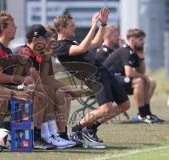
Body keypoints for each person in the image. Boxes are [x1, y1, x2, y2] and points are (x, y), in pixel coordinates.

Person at [53, 7, 130, 149]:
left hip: (104, 73)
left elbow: (95, 43)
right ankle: (77, 130)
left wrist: (103, 25)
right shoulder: (59, 47)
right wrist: (93, 25)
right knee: (105, 109)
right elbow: (82, 48)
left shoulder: (72, 43)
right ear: (62, 29)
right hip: (94, 77)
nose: (74, 26)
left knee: (125, 105)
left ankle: (91, 128)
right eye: (71, 25)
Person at [0, 11, 55, 149]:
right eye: (12, 26)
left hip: (6, 90)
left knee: (42, 93)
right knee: (39, 96)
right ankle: (38, 137)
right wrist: (21, 79)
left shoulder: (6, 49)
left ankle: (47, 134)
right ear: (3, 28)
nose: (16, 28)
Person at [15, 24, 78, 148]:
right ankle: (43, 135)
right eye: (45, 38)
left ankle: (57, 134)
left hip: (26, 89)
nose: (48, 41)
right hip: (14, 90)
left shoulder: (39, 54)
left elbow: (45, 79)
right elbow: (38, 80)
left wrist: (46, 57)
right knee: (46, 90)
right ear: (35, 39)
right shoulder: (24, 51)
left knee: (60, 93)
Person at [104, 28, 163, 123]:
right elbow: (129, 73)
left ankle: (147, 113)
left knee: (151, 82)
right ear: (132, 41)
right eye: (141, 40)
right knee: (139, 81)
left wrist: (141, 58)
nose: (143, 42)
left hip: (120, 80)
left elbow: (141, 71)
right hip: (109, 80)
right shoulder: (125, 50)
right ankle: (142, 115)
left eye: (143, 39)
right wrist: (144, 77)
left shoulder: (134, 53)